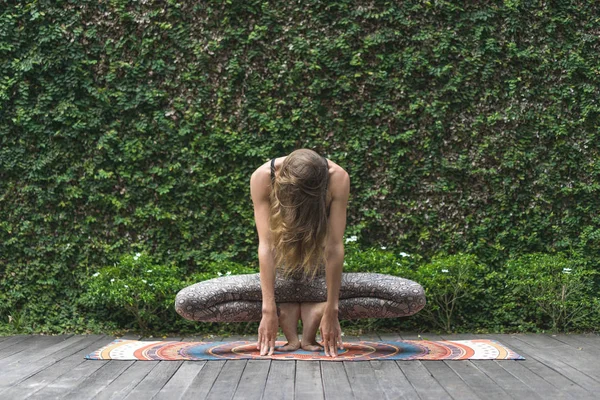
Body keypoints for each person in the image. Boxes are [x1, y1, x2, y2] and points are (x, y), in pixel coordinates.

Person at [175, 148, 426, 358]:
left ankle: (315, 309)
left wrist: (332, 308)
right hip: (278, 281)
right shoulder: (262, 177)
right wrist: (268, 308)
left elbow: (334, 247)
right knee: (188, 303)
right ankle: (287, 310)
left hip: (321, 283)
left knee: (411, 296)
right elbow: (267, 246)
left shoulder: (337, 177)